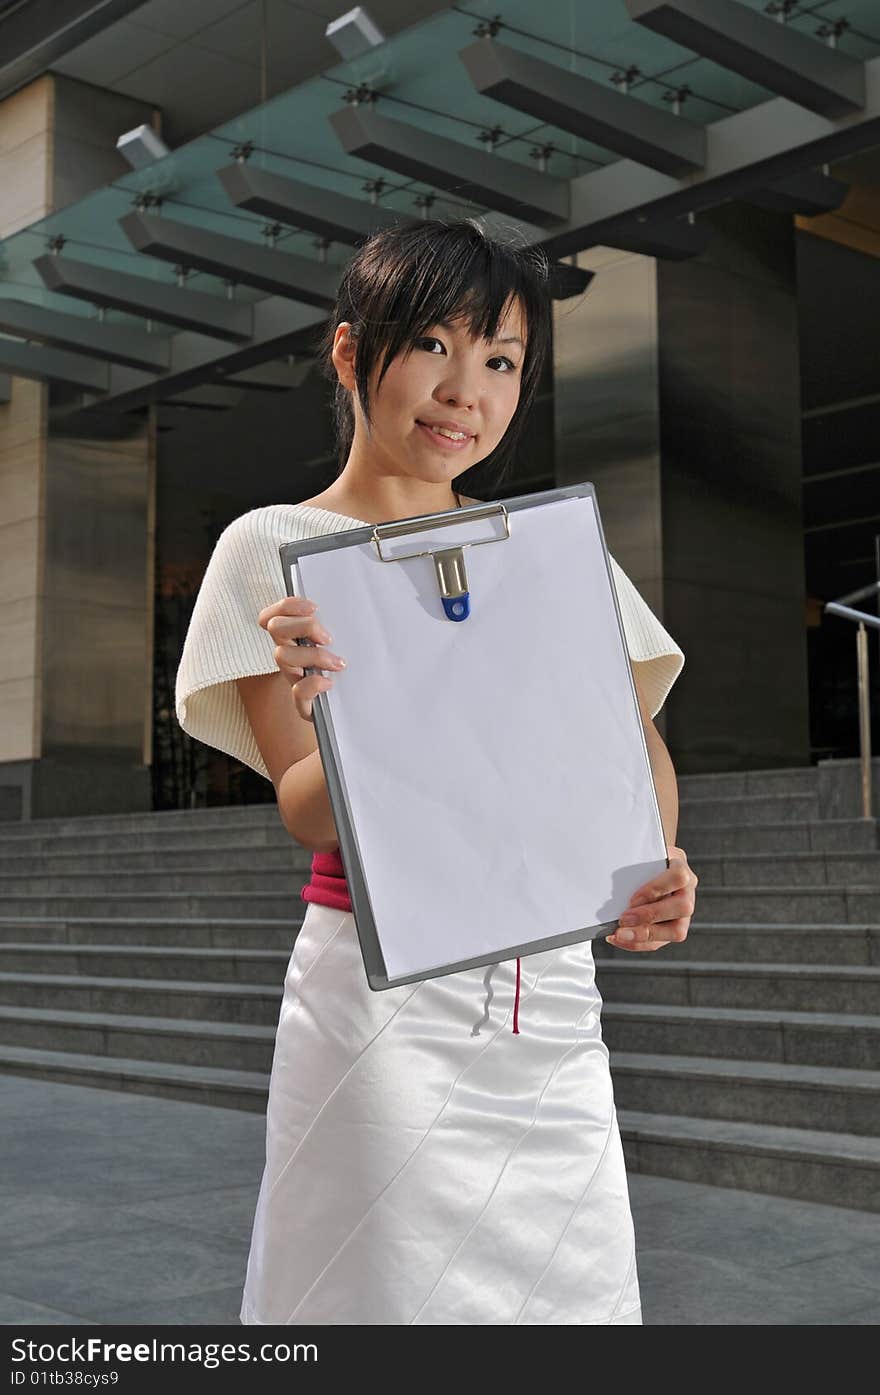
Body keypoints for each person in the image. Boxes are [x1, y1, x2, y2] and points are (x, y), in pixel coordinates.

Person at [175, 218, 697, 1325]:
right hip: (379, 993)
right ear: (351, 351)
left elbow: (636, 746)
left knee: (575, 1290)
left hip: (547, 993)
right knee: (377, 1287)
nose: (468, 390)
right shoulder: (272, 545)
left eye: (501, 361)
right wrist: (341, 711)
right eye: (435, 347)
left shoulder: (543, 547)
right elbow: (307, 812)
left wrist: (654, 862)